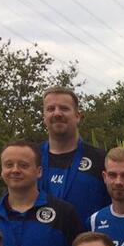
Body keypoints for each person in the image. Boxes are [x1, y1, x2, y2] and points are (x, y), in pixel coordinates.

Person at [40, 86, 111, 224]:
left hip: (86, 243)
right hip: (40, 244)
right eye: (50, 109)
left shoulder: (101, 160)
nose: (57, 113)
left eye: (64, 108)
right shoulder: (31, 159)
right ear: (44, 117)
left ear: (78, 116)